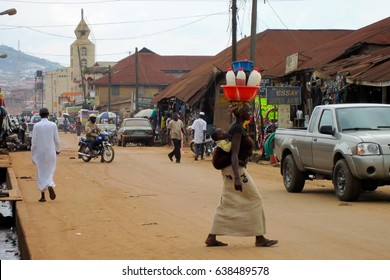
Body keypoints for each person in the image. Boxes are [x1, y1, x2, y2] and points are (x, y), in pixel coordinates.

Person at [205, 102, 278, 247]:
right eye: (247, 111)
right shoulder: (237, 129)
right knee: (255, 198)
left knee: (227, 202)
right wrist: (237, 178)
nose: (250, 114)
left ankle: (212, 237)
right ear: (240, 115)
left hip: (232, 170)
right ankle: (259, 237)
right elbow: (234, 154)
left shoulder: (237, 127)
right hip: (235, 170)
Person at [31, 107, 60, 202]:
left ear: (40, 115)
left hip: (40, 153)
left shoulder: (36, 126)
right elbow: (57, 140)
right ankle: (50, 184)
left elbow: (34, 142)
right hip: (51, 152)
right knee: (50, 171)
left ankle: (43, 196)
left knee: (41, 172)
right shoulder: (53, 125)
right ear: (48, 115)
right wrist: (58, 150)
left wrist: (33, 153)